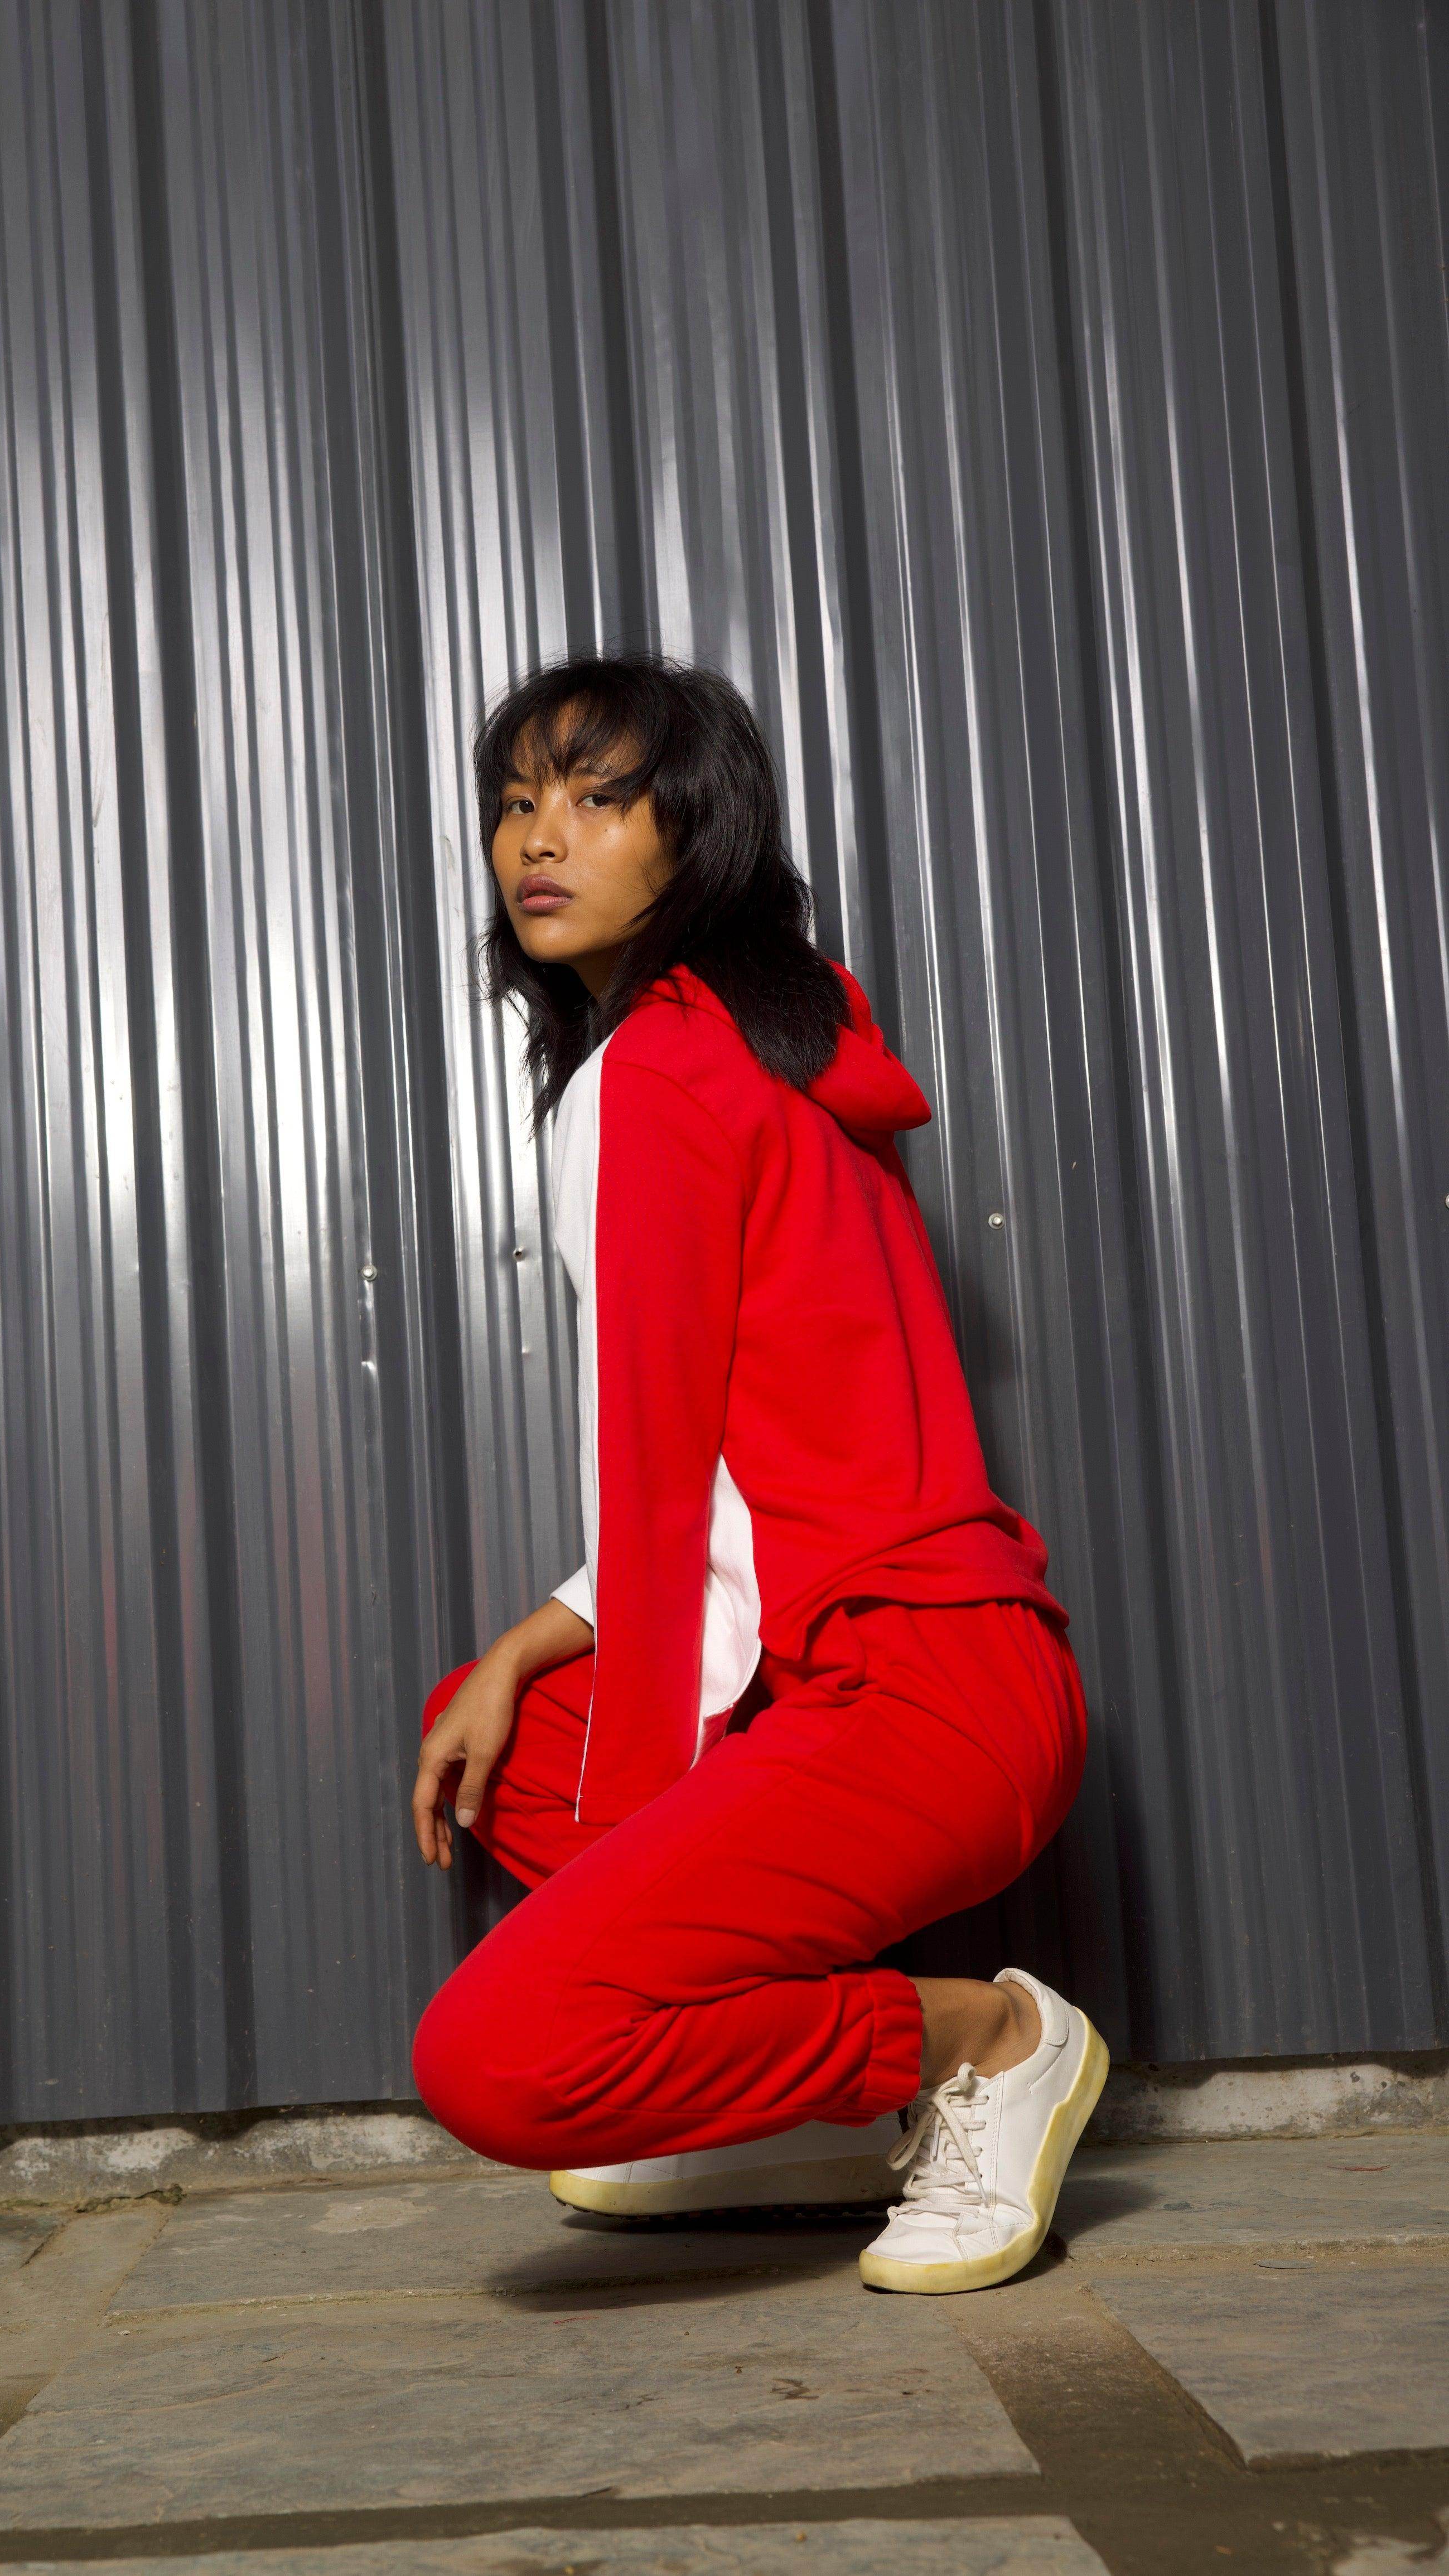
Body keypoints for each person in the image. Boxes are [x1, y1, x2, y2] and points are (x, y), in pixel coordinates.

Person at [409, 650, 1106, 2296]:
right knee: (510, 1736)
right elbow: (744, 1464)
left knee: (501, 2057)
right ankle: (805, 2110)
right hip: (951, 1671)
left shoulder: (653, 1073)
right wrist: (524, 1649)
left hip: (914, 1690)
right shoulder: (764, 1044)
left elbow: (664, 1489)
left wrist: (632, 1855)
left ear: (697, 831)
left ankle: (987, 2041)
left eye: (599, 797)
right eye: (515, 803)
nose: (538, 839)